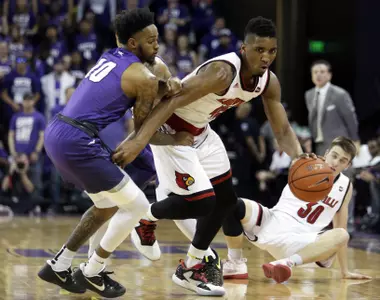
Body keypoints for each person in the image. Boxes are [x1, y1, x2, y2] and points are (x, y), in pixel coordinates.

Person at [114, 17, 307, 296]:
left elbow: (283, 129)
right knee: (203, 202)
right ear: (244, 48)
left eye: (272, 51)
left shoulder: (268, 82)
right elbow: (171, 102)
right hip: (173, 131)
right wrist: (137, 141)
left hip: (202, 131)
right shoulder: (222, 72)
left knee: (226, 200)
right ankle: (146, 217)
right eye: (259, 50)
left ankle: (192, 264)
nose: (266, 57)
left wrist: (300, 157)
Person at [37, 8, 190, 298]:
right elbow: (143, 132)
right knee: (134, 206)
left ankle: (60, 263)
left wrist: (164, 84)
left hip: (58, 132)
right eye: (152, 40)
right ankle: (94, 270)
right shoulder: (142, 77)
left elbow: (152, 73)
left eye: (158, 39)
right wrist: (176, 137)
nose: (158, 46)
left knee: (106, 206)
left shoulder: (112, 56)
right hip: (78, 140)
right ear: (134, 43)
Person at [221, 136, 371, 283]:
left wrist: (344, 271)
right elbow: (287, 143)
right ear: (326, 153)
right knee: (232, 203)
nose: (336, 162)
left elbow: (341, 226)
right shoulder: (306, 162)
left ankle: (286, 263)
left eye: (343, 160)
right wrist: (297, 157)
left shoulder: (345, 187)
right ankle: (235, 263)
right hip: (272, 223)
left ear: (348, 165)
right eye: (334, 156)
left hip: (302, 242)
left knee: (342, 234)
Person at [305, 60, 359, 156]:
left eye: (322, 72)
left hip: (339, 143)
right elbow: (313, 120)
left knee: (340, 170)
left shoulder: (339, 94)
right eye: (315, 72)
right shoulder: (309, 95)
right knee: (323, 170)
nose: (318, 75)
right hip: (319, 143)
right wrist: (310, 138)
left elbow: (350, 118)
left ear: (329, 75)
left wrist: (355, 139)